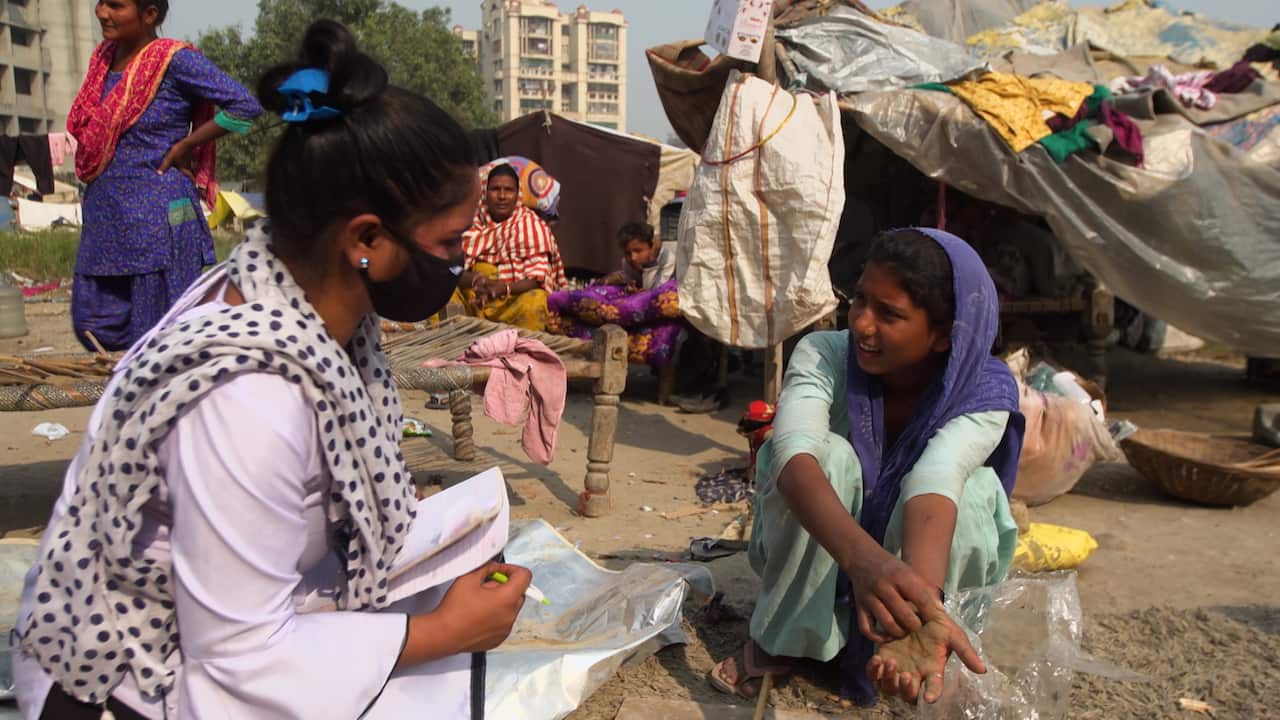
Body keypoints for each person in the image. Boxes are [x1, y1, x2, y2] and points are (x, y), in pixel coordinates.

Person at [14, 20, 530, 720]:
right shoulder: (246, 395)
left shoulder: (299, 301)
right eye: (449, 243)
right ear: (368, 240)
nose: (460, 263)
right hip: (124, 681)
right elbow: (237, 659)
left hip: (217, 630)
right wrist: (441, 632)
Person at [709, 228, 1025, 706]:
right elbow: (793, 455)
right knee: (826, 457)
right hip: (833, 542)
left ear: (943, 335)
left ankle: (923, 638)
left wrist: (919, 612)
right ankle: (789, 638)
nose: (861, 323)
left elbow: (935, 477)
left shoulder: (983, 389)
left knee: (977, 493)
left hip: (920, 552)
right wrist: (864, 562)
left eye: (889, 314)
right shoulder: (824, 355)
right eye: (860, 301)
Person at [68, 0, 262, 352]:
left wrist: (185, 145)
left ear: (150, 14)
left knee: (160, 342)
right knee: (94, 324)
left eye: (116, 5)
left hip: (157, 221)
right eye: (100, 2)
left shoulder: (174, 60)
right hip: (106, 220)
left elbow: (245, 108)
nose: (102, 12)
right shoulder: (102, 61)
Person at [547, 222, 683, 367]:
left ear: (651, 246)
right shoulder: (627, 263)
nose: (633, 258)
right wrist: (632, 290)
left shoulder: (667, 258)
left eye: (638, 251)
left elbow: (656, 292)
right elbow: (636, 284)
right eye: (628, 253)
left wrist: (649, 265)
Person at [454, 163, 567, 331]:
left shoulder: (531, 225)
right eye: (495, 189)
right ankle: (448, 341)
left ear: (517, 195)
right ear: (485, 192)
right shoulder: (469, 220)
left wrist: (504, 287)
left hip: (512, 301)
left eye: (508, 190)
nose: (502, 196)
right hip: (474, 299)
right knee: (442, 291)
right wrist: (477, 280)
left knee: (535, 301)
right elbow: (450, 269)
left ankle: (523, 349)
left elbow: (538, 278)